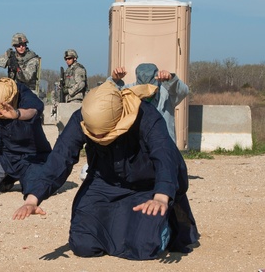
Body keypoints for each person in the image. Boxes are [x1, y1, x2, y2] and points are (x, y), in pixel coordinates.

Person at [13, 73, 199, 260]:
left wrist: (161, 196)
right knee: (83, 245)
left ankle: (167, 225)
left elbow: (164, 156)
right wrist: (32, 199)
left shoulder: (147, 116)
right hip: (105, 182)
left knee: (143, 247)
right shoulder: (84, 117)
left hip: (148, 186)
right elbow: (60, 157)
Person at [128, 63, 190, 145]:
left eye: (151, 87)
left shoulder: (167, 93)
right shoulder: (128, 91)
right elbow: (111, 96)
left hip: (164, 147)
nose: (148, 92)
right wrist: (114, 80)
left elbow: (184, 91)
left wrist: (171, 79)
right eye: (144, 89)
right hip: (137, 148)